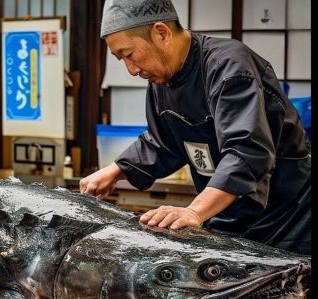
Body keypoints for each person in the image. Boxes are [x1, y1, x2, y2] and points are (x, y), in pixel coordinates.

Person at [81, 0, 311, 256]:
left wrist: (194, 211)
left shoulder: (229, 66)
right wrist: (114, 171)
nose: (132, 70)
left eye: (130, 55)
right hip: (227, 214)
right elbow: (163, 143)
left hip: (288, 217)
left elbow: (246, 152)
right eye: (120, 59)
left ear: (161, 33)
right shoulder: (162, 81)